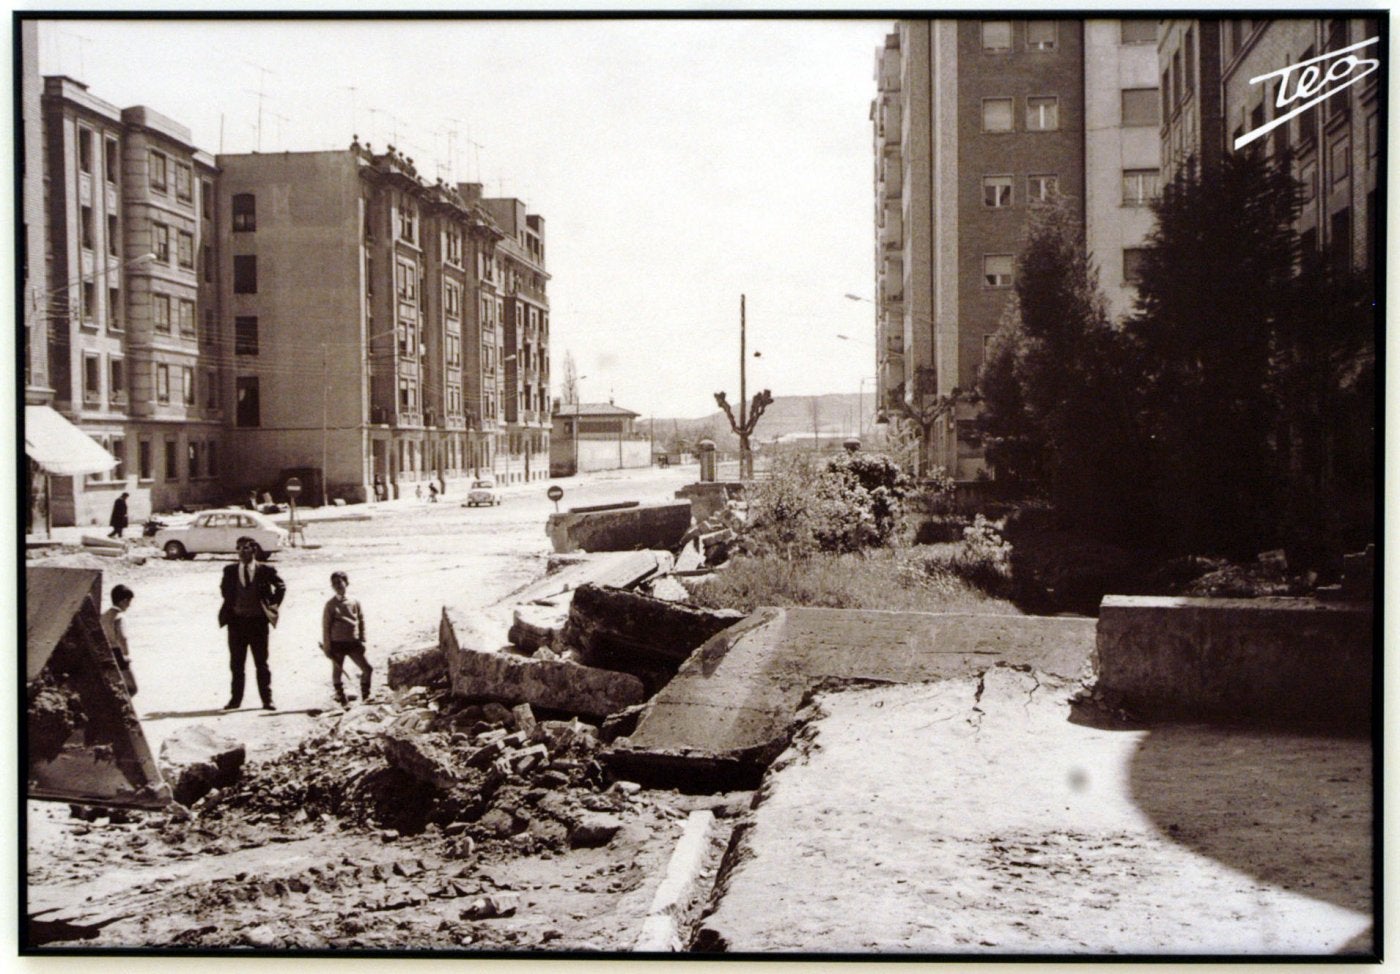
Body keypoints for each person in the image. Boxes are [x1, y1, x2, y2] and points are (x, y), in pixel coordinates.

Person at [217, 536, 286, 711]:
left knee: (261, 663)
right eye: (238, 548)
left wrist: (271, 606)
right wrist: (234, 606)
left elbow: (281, 587)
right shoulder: (230, 570)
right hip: (237, 623)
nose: (241, 551)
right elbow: (225, 590)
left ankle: (267, 700)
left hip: (258, 623)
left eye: (246, 548)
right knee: (236, 664)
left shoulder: (265, 570)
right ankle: (235, 700)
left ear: (254, 550)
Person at [321, 571, 372, 707]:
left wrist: (362, 638)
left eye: (340, 582)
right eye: (334, 583)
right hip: (337, 644)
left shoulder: (354, 601)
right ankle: (342, 699)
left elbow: (361, 620)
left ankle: (366, 697)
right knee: (337, 672)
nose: (338, 585)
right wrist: (327, 647)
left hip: (353, 643)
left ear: (346, 583)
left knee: (367, 669)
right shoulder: (330, 605)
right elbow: (326, 627)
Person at [100, 584, 138, 696]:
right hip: (118, 653)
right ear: (124, 601)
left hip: (106, 652)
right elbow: (122, 637)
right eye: (129, 601)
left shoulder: (104, 615)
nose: (129, 605)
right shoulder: (119, 616)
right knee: (131, 688)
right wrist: (125, 654)